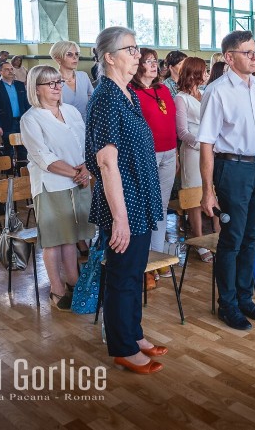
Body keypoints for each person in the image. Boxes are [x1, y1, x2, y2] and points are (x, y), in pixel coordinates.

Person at [85, 26, 168, 374]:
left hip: (140, 195)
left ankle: (133, 334)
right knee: (122, 275)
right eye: (130, 49)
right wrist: (119, 218)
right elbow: (106, 162)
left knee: (135, 272)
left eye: (137, 49)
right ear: (109, 57)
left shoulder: (127, 95)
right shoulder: (105, 98)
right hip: (124, 202)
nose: (138, 55)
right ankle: (121, 346)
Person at [197, 30, 255, 331]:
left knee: (251, 239)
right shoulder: (217, 91)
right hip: (232, 169)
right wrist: (208, 191)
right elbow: (206, 143)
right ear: (230, 57)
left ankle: (245, 297)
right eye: (249, 53)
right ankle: (227, 304)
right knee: (232, 240)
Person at [20, 65, 94, 311]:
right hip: (51, 183)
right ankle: (56, 289)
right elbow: (43, 156)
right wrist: (76, 173)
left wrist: (86, 169)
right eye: (50, 83)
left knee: (71, 236)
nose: (56, 87)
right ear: (36, 88)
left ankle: (73, 280)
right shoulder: (31, 118)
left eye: (58, 82)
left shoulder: (71, 111)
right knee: (54, 239)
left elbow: (84, 143)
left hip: (79, 179)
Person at [128, 49, 178, 259]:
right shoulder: (130, 91)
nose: (153, 65)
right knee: (147, 205)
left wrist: (176, 154)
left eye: (155, 61)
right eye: (148, 61)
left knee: (162, 205)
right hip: (147, 154)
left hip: (169, 152)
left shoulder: (163, 90)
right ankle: (143, 256)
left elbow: (172, 122)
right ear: (138, 65)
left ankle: (157, 255)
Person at [174, 57, 215, 263]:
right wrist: (203, 144)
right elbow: (182, 131)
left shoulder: (205, 93)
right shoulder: (181, 98)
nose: (206, 74)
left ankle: (217, 235)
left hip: (212, 149)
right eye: (203, 71)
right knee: (194, 195)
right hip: (193, 150)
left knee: (213, 191)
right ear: (194, 73)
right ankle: (198, 240)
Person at [0, 61, 30, 154]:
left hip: (21, 122)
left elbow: (26, 104)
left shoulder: (20, 85)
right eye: (7, 69)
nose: (10, 71)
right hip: (5, 123)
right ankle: (9, 169)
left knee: (23, 150)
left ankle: (21, 168)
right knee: (8, 151)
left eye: (11, 69)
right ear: (0, 72)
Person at [50, 41, 93, 120]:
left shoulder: (83, 76)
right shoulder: (51, 80)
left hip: (85, 126)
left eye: (76, 54)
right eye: (69, 54)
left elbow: (93, 101)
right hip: (63, 126)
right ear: (58, 59)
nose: (75, 57)